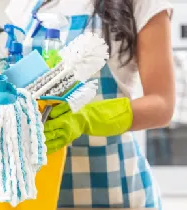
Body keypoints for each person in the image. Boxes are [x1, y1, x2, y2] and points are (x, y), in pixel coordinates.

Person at [36, 0, 175, 209]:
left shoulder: (142, 4)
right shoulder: (30, 4)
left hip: (113, 186)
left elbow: (162, 105)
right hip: (45, 185)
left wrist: (85, 118)